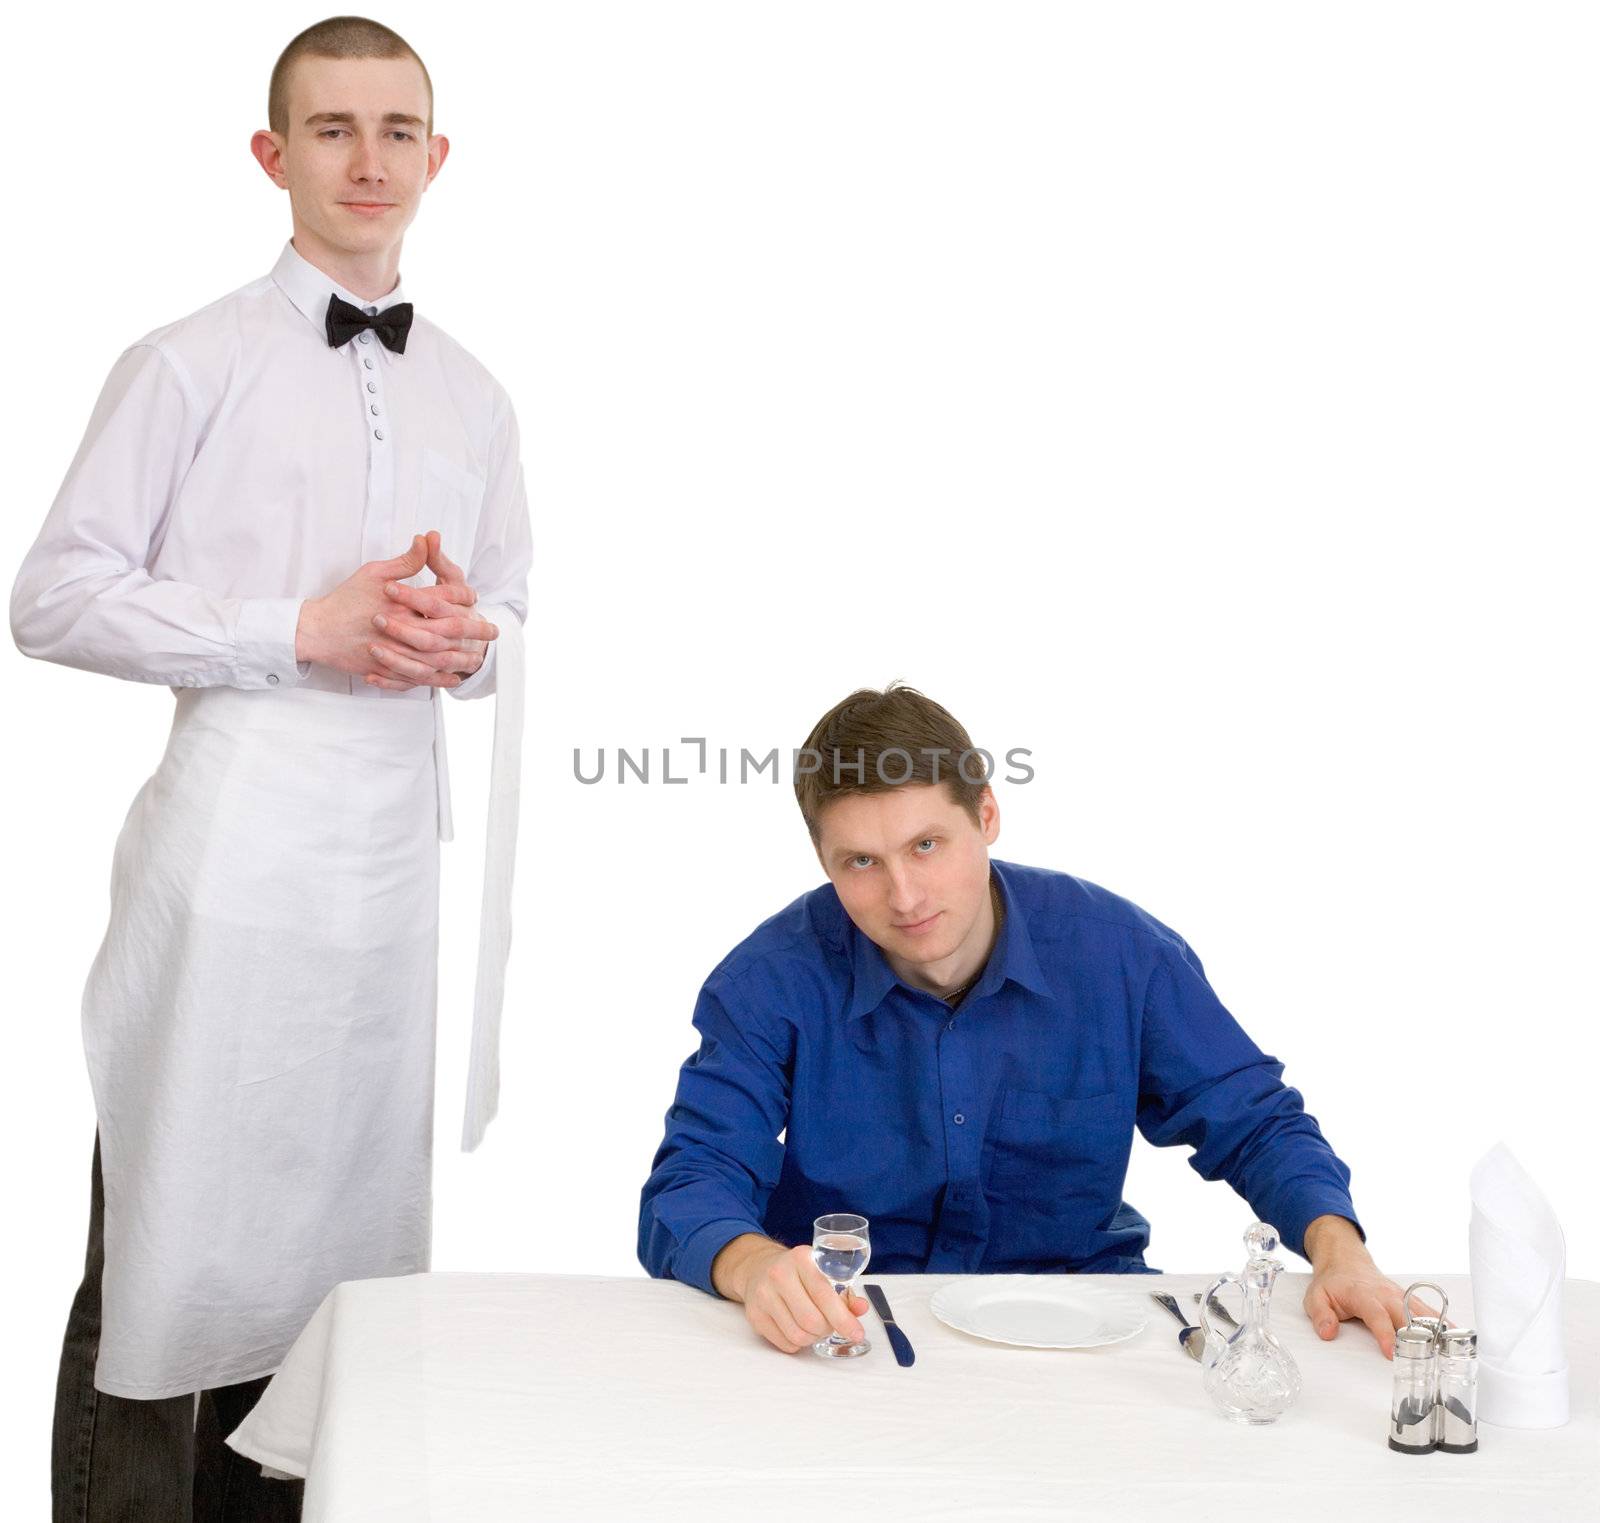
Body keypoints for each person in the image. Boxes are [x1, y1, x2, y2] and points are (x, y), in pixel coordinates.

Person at [12, 17, 531, 1520]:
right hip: (230, 871)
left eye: (396, 130)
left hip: (382, 895)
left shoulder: (478, 395)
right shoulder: (187, 362)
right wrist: (296, 625)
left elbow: (508, 611)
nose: (369, 160)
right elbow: (51, 595)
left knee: (330, 1275)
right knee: (173, 1246)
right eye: (331, 128)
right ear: (271, 154)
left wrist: (459, 637)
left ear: (439, 157)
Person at [638, 684, 1410, 1359]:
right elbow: (692, 1177)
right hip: (853, 1326)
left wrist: (1338, 1247)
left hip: (1085, 1321)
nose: (904, 895)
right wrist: (753, 1265)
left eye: (927, 844)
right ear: (825, 862)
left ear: (988, 813)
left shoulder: (1119, 953)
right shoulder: (768, 981)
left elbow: (1255, 1121)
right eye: (862, 863)